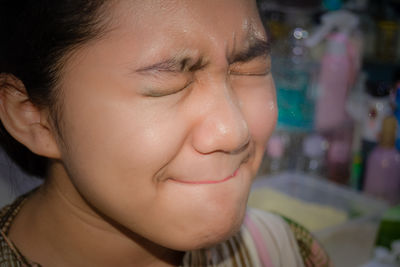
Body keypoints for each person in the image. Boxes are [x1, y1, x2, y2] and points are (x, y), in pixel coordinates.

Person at [0, 0, 331, 266]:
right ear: (32, 116)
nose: (234, 132)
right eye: (168, 84)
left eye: (251, 68)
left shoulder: (285, 252)